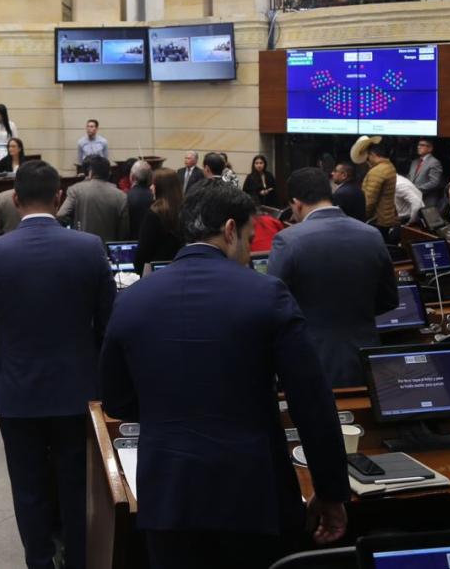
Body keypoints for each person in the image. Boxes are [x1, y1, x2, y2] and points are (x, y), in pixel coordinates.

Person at [99, 180, 349, 569]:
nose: (250, 254)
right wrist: (331, 491)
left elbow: (115, 399)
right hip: (252, 497)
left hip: (168, 495)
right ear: (230, 230)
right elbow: (311, 403)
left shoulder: (131, 300)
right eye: (250, 240)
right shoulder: (269, 295)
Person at [0, 160, 115, 569]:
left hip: (17, 388)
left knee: (28, 483)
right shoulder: (89, 247)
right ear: (59, 197)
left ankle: (38, 559)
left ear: (15, 200)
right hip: (78, 387)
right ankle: (77, 558)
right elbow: (108, 322)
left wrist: (9, 359)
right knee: (76, 483)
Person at [268, 168, 397, 387]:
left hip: (311, 360)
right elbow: (389, 300)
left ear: (296, 202)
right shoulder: (372, 235)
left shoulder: (287, 240)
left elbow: (273, 307)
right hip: (366, 356)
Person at [57, 155, 128, 246]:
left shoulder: (76, 190)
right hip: (109, 251)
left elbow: (61, 215)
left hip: (82, 247)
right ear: (109, 174)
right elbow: (124, 231)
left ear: (90, 173)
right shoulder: (121, 196)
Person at [134, 168, 184, 269]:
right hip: (181, 267)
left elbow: (143, 251)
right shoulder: (186, 210)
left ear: (162, 187)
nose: (151, 187)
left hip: (157, 270)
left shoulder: (154, 214)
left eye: (154, 184)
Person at [356, 136, 398, 241]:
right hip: (387, 216)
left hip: (377, 219)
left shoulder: (378, 171)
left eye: (368, 156)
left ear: (373, 155)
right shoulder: (390, 166)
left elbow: (369, 199)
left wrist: (362, 218)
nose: (368, 159)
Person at [408, 138, 444, 208]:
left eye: (422, 145)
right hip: (413, 199)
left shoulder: (434, 162)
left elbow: (434, 182)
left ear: (430, 148)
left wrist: (415, 190)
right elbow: (409, 177)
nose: (418, 147)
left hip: (427, 200)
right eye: (418, 145)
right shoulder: (414, 162)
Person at [126, 160, 154, 239]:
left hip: (131, 242)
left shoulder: (126, 197)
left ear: (132, 177)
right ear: (150, 177)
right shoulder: (155, 197)